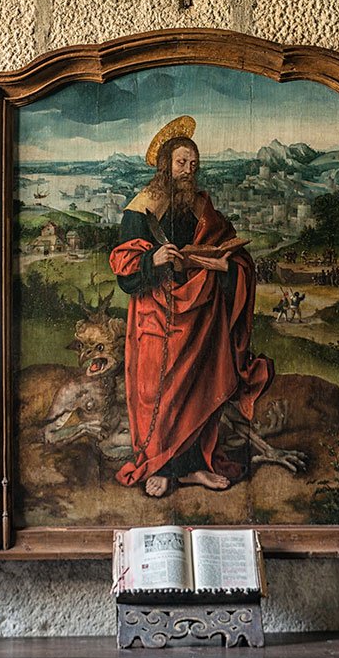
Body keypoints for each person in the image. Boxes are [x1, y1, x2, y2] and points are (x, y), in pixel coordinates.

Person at [110, 116, 273, 498]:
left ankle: (195, 466)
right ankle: (162, 467)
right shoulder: (142, 206)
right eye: (181, 162)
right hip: (157, 312)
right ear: (165, 164)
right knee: (160, 391)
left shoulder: (201, 204)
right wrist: (152, 259)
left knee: (199, 388)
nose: (188, 170)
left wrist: (228, 266)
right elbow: (124, 265)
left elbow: (230, 247)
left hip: (201, 312)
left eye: (193, 164)